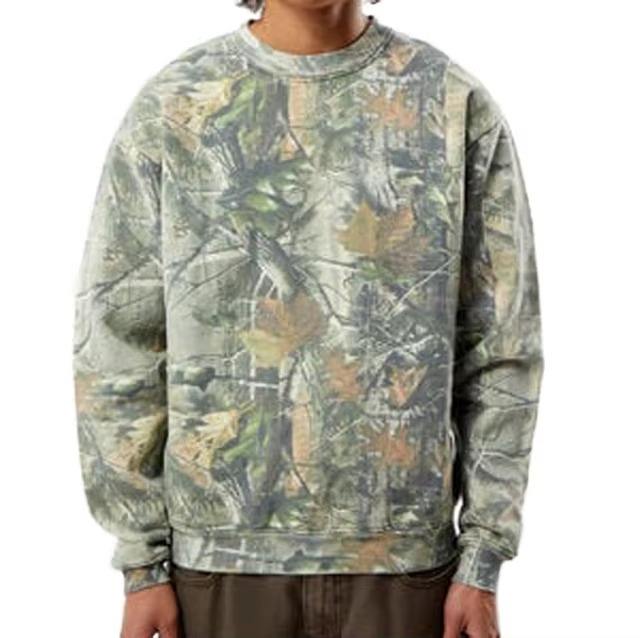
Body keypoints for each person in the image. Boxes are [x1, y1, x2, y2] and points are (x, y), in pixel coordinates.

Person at [71, 0, 544, 636]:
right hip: (220, 561)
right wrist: (142, 563)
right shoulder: (177, 105)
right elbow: (117, 342)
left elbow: (502, 345)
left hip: (406, 564)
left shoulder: (451, 102)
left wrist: (483, 557)